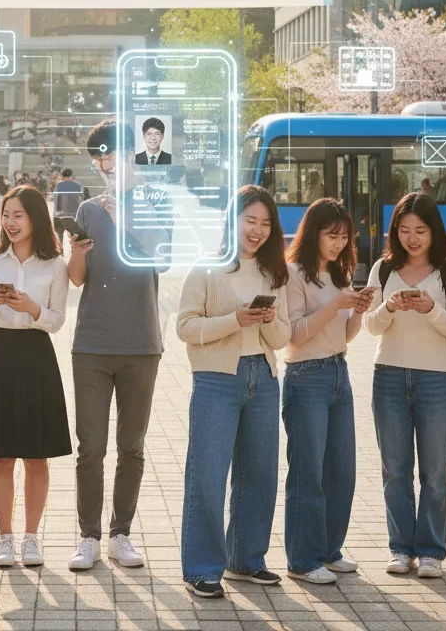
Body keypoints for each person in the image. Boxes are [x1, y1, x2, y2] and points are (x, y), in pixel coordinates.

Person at [176, 185, 293, 598]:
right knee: (207, 475)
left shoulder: (273, 273)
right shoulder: (206, 269)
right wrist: (236, 319)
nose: (257, 230)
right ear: (233, 220)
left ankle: (246, 560)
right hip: (215, 381)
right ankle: (202, 568)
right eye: (250, 220)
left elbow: (282, 338)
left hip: (262, 377)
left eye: (265, 223)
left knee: (259, 475)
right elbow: (185, 328)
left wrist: (264, 319)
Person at [67, 119, 167, 571]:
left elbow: (162, 257)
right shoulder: (88, 208)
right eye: (98, 157)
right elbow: (78, 280)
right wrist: (76, 253)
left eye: (109, 154)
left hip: (141, 341)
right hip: (91, 341)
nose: (104, 163)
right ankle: (87, 536)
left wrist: (123, 218)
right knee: (90, 446)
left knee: (132, 445)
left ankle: (119, 534)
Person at [363, 193, 446, 578]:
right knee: (395, 469)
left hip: (436, 380)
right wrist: (389, 307)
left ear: (433, 231)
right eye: (404, 230)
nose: (412, 238)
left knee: (436, 471)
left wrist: (431, 309)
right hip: (387, 375)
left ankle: (431, 552)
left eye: (420, 230)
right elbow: (369, 326)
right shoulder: (383, 270)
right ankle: (400, 549)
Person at [0, 186, 72, 568]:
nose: (10, 222)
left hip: (37, 357)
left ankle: (32, 538)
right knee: (1, 456)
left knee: (37, 457)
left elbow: (58, 321)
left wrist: (32, 307)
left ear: (35, 219)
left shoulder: (55, 265)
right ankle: (5, 538)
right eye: (5, 215)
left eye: (18, 216)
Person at [282, 197, 370, 584]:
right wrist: (336, 305)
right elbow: (295, 336)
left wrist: (359, 311)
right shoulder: (293, 273)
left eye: (344, 237)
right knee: (308, 474)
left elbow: (346, 335)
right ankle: (303, 560)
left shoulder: (339, 272)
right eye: (331, 236)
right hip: (305, 377)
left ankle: (330, 551)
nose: (337, 244)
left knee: (342, 472)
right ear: (313, 232)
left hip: (339, 372)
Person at [52, 168, 84, 245]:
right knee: (75, 235)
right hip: (75, 213)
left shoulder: (59, 185)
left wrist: (56, 212)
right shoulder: (78, 185)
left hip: (62, 214)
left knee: (59, 234)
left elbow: (57, 200)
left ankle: (61, 247)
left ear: (62, 177)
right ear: (71, 176)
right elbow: (81, 198)